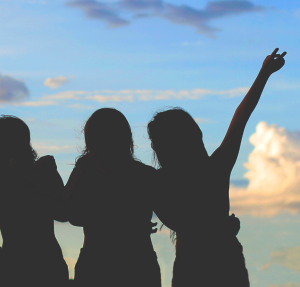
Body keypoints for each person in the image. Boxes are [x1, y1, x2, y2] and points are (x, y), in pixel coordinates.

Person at [148, 48, 286, 287]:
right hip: (226, 262)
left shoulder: (158, 181)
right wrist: (263, 73)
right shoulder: (216, 167)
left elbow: (180, 223)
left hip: (190, 266)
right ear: (194, 136)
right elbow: (241, 116)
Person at [62, 108, 161, 287]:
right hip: (139, 262)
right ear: (126, 137)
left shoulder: (85, 173)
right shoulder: (146, 174)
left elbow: (67, 212)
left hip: (96, 262)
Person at [0, 115, 69, 287]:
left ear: (4, 144)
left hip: (37, 267)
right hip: (22, 266)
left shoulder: (43, 170)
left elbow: (63, 212)